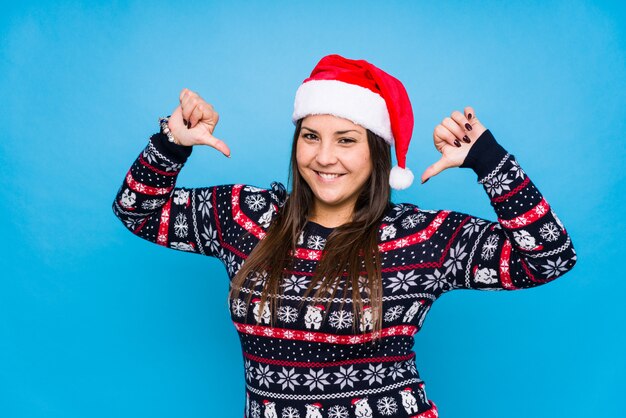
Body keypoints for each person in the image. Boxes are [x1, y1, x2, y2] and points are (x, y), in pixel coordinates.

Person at [112, 54, 577, 418]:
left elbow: (549, 258)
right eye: (310, 136)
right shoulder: (247, 217)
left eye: (347, 139)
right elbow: (137, 211)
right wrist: (171, 143)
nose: (324, 156)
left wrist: (488, 160)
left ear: (378, 154)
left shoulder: (420, 237)